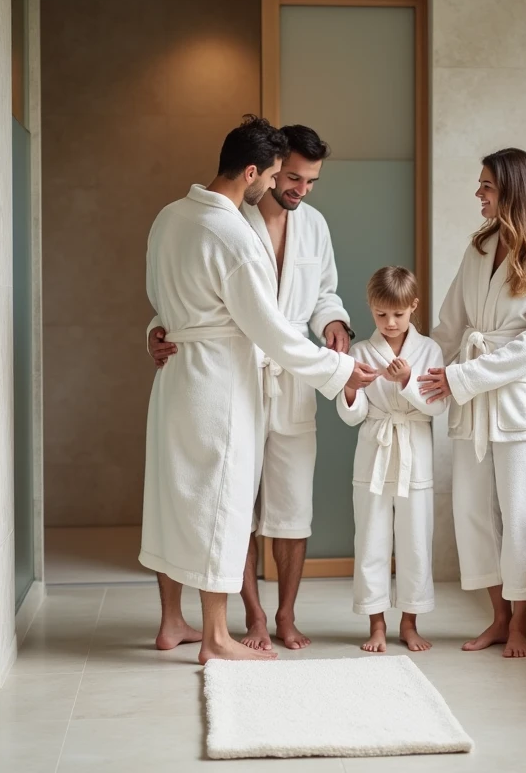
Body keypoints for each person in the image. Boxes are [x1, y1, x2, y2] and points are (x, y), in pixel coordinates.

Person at [139, 116, 377, 663]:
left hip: (187, 376)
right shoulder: (235, 233)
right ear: (256, 171)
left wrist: (161, 331)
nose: (288, 186)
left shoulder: (169, 216)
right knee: (222, 501)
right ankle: (220, 634)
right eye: (280, 175)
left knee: (177, 497)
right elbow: (266, 328)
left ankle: (176, 621)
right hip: (225, 376)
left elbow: (167, 293)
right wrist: (338, 372)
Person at [418, 148, 526, 659]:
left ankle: (521, 624)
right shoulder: (479, 248)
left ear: (512, 190)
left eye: (486, 185)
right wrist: (412, 371)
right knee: (473, 513)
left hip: (518, 401)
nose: (478, 193)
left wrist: (460, 377)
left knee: (524, 512)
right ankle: (498, 618)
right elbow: (449, 326)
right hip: (472, 402)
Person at [337, 267, 445, 653]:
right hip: (375, 451)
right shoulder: (360, 352)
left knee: (415, 540)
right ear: (370, 307)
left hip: (415, 449)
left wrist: (408, 382)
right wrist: (350, 387)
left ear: (413, 306)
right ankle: (377, 624)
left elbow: (437, 407)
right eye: (381, 314)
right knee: (371, 539)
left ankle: (410, 624)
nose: (390, 322)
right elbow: (352, 415)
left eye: (398, 314)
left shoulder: (429, 350)